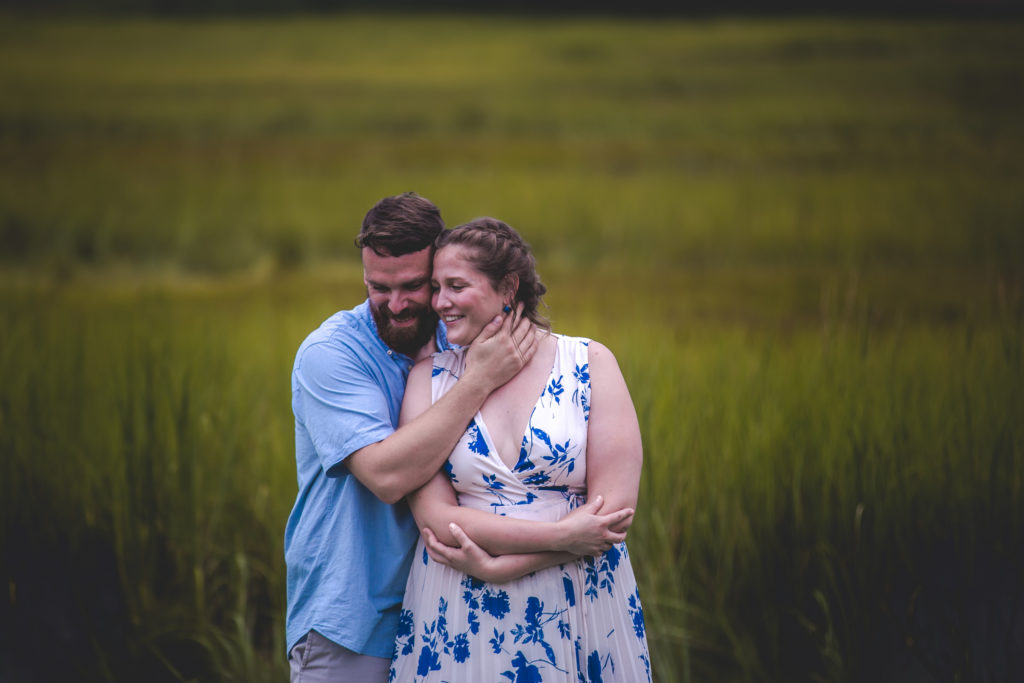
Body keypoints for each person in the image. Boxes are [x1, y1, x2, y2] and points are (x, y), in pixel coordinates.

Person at [284, 193, 626, 683]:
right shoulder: (331, 355)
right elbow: (386, 476)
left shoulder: (460, 338)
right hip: (353, 618)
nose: (396, 304)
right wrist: (478, 380)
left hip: (444, 601)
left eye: (414, 287)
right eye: (378, 287)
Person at [390, 218, 651, 682]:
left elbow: (612, 514)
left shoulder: (590, 363)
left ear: (508, 286)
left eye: (455, 285)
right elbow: (435, 520)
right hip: (463, 605)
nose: (439, 302)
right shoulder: (427, 379)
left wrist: (502, 566)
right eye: (435, 287)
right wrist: (561, 538)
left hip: (580, 598)